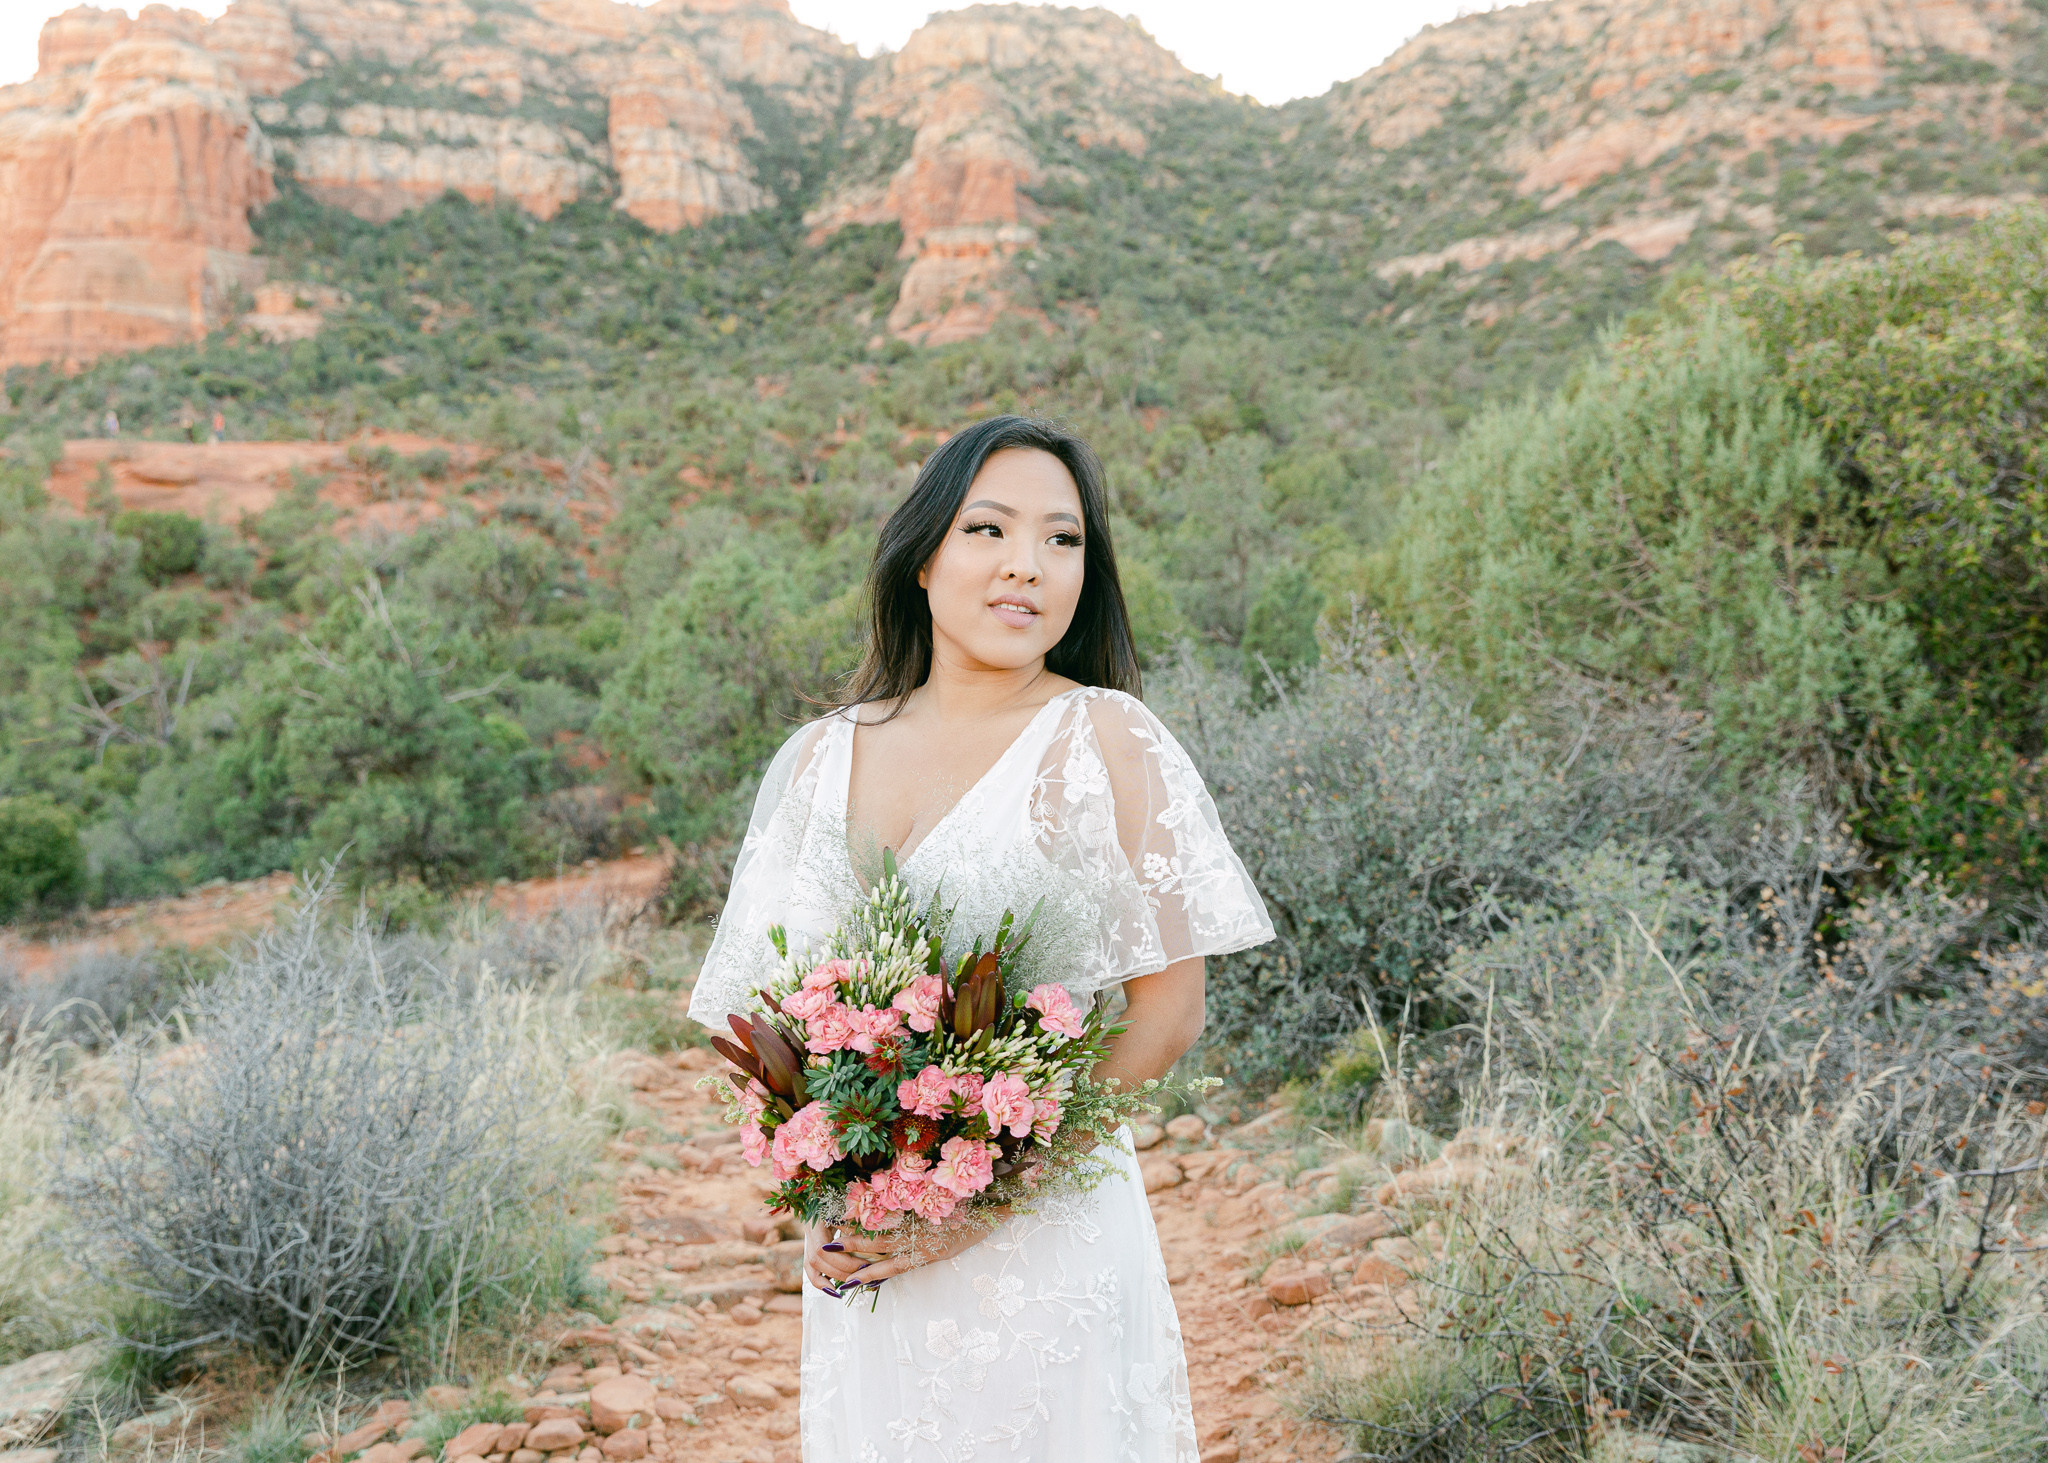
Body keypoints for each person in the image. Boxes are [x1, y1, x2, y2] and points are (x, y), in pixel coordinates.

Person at [688, 415, 1274, 1461]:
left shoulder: (1106, 739)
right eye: (988, 529)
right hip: (864, 1253)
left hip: (1046, 1237)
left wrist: (974, 1203)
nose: (1027, 567)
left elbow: (1167, 1015)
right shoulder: (819, 758)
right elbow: (764, 1022)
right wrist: (825, 1175)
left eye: (1062, 540)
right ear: (921, 556)